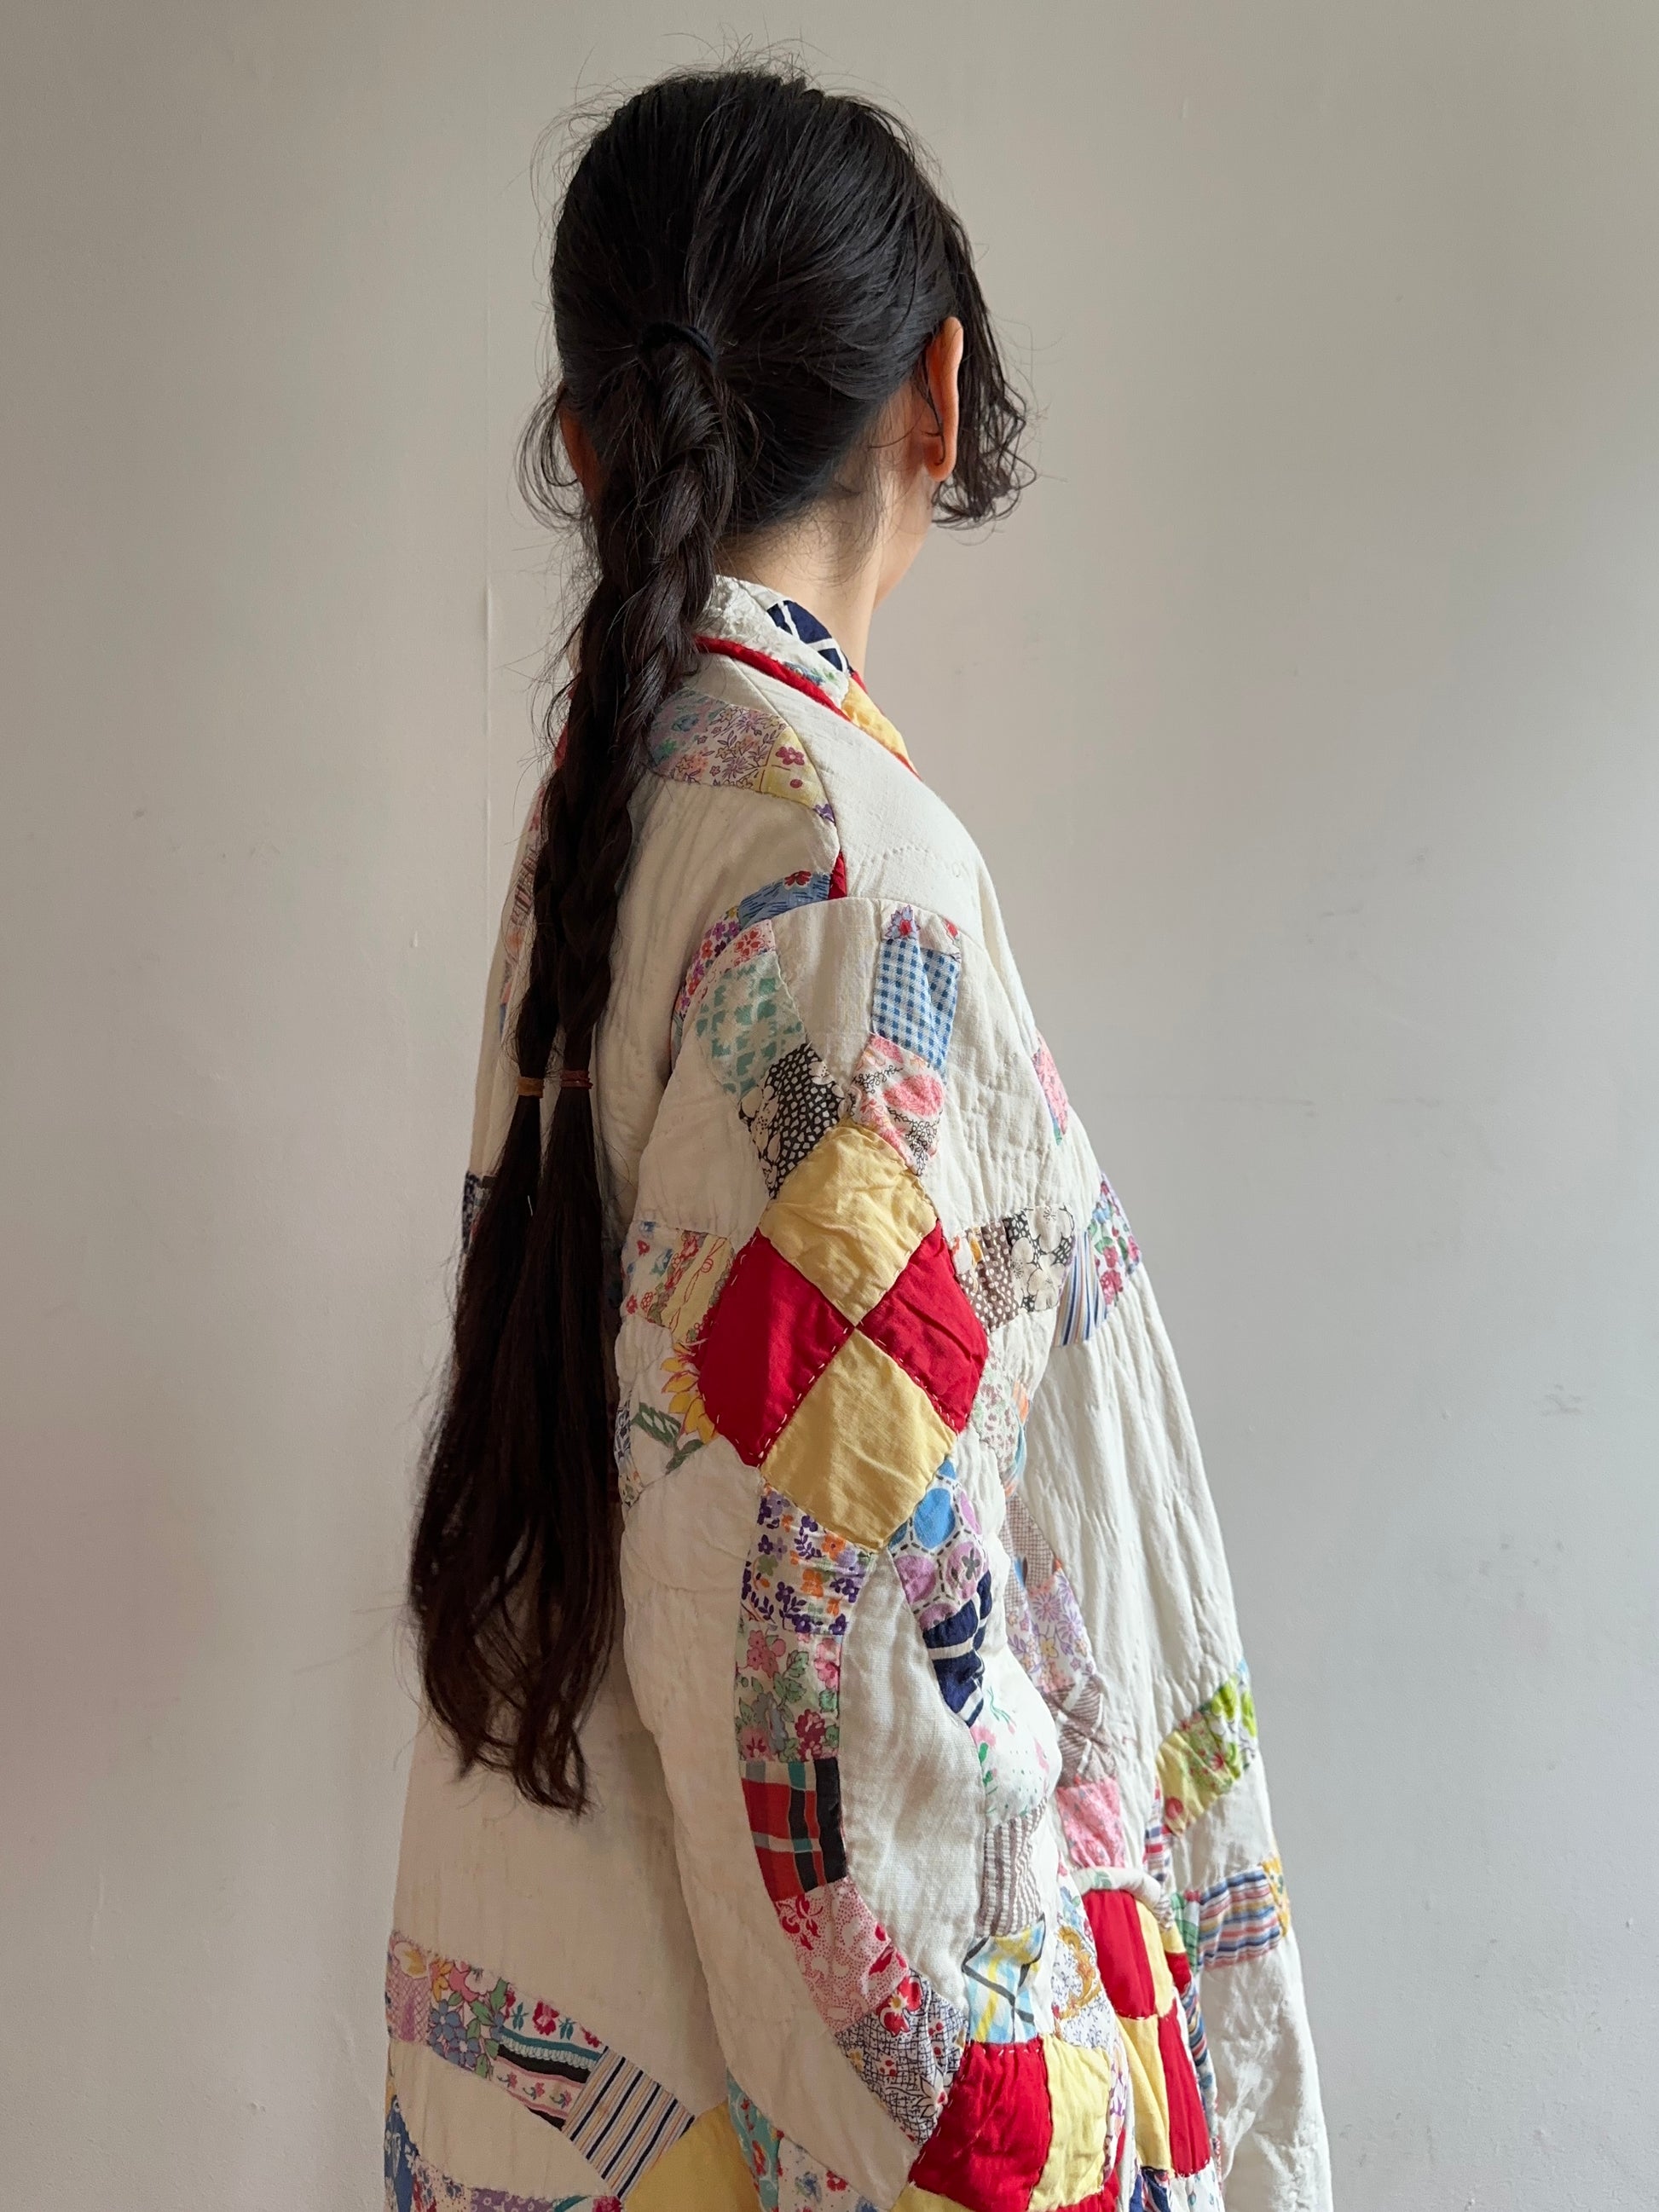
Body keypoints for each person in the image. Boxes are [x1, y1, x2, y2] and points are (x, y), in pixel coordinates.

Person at [388, 63, 1330, 2212]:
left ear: (582, 442)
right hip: (809, 2122)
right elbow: (844, 1674)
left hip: (605, 2037)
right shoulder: (836, 867)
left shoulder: (636, 806)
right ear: (938, 390)